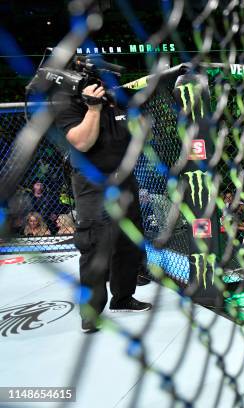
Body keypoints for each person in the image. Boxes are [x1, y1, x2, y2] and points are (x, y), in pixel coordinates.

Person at [53, 80, 152, 333]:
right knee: (94, 242)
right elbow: (81, 143)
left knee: (129, 240)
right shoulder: (69, 106)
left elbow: (142, 136)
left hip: (124, 178)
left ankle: (123, 297)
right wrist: (93, 108)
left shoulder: (119, 100)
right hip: (91, 182)